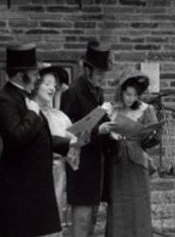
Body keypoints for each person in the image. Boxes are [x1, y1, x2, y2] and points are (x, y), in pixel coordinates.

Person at [0, 44, 77, 237]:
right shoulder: (5, 101)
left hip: (36, 187)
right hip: (19, 189)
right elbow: (16, 138)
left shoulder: (25, 98)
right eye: (34, 73)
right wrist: (31, 113)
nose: (38, 78)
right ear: (22, 75)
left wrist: (69, 144)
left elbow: (40, 138)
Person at [61, 41, 113, 237]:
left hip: (95, 164)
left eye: (103, 73)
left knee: (92, 220)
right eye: (99, 73)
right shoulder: (73, 92)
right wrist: (97, 131)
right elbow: (66, 130)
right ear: (87, 70)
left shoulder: (97, 92)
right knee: (81, 221)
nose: (102, 78)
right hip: (80, 166)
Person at [104, 71, 161, 237]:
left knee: (138, 205)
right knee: (118, 206)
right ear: (121, 92)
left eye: (135, 95)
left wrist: (155, 134)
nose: (130, 98)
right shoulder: (111, 109)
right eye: (128, 94)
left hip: (137, 164)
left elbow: (150, 142)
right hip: (117, 163)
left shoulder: (145, 110)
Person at [31, 65, 78, 236]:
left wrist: (77, 143)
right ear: (35, 85)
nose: (52, 88)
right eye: (47, 83)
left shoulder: (60, 117)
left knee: (56, 217)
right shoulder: (30, 114)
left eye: (54, 85)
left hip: (59, 173)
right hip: (37, 173)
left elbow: (72, 146)